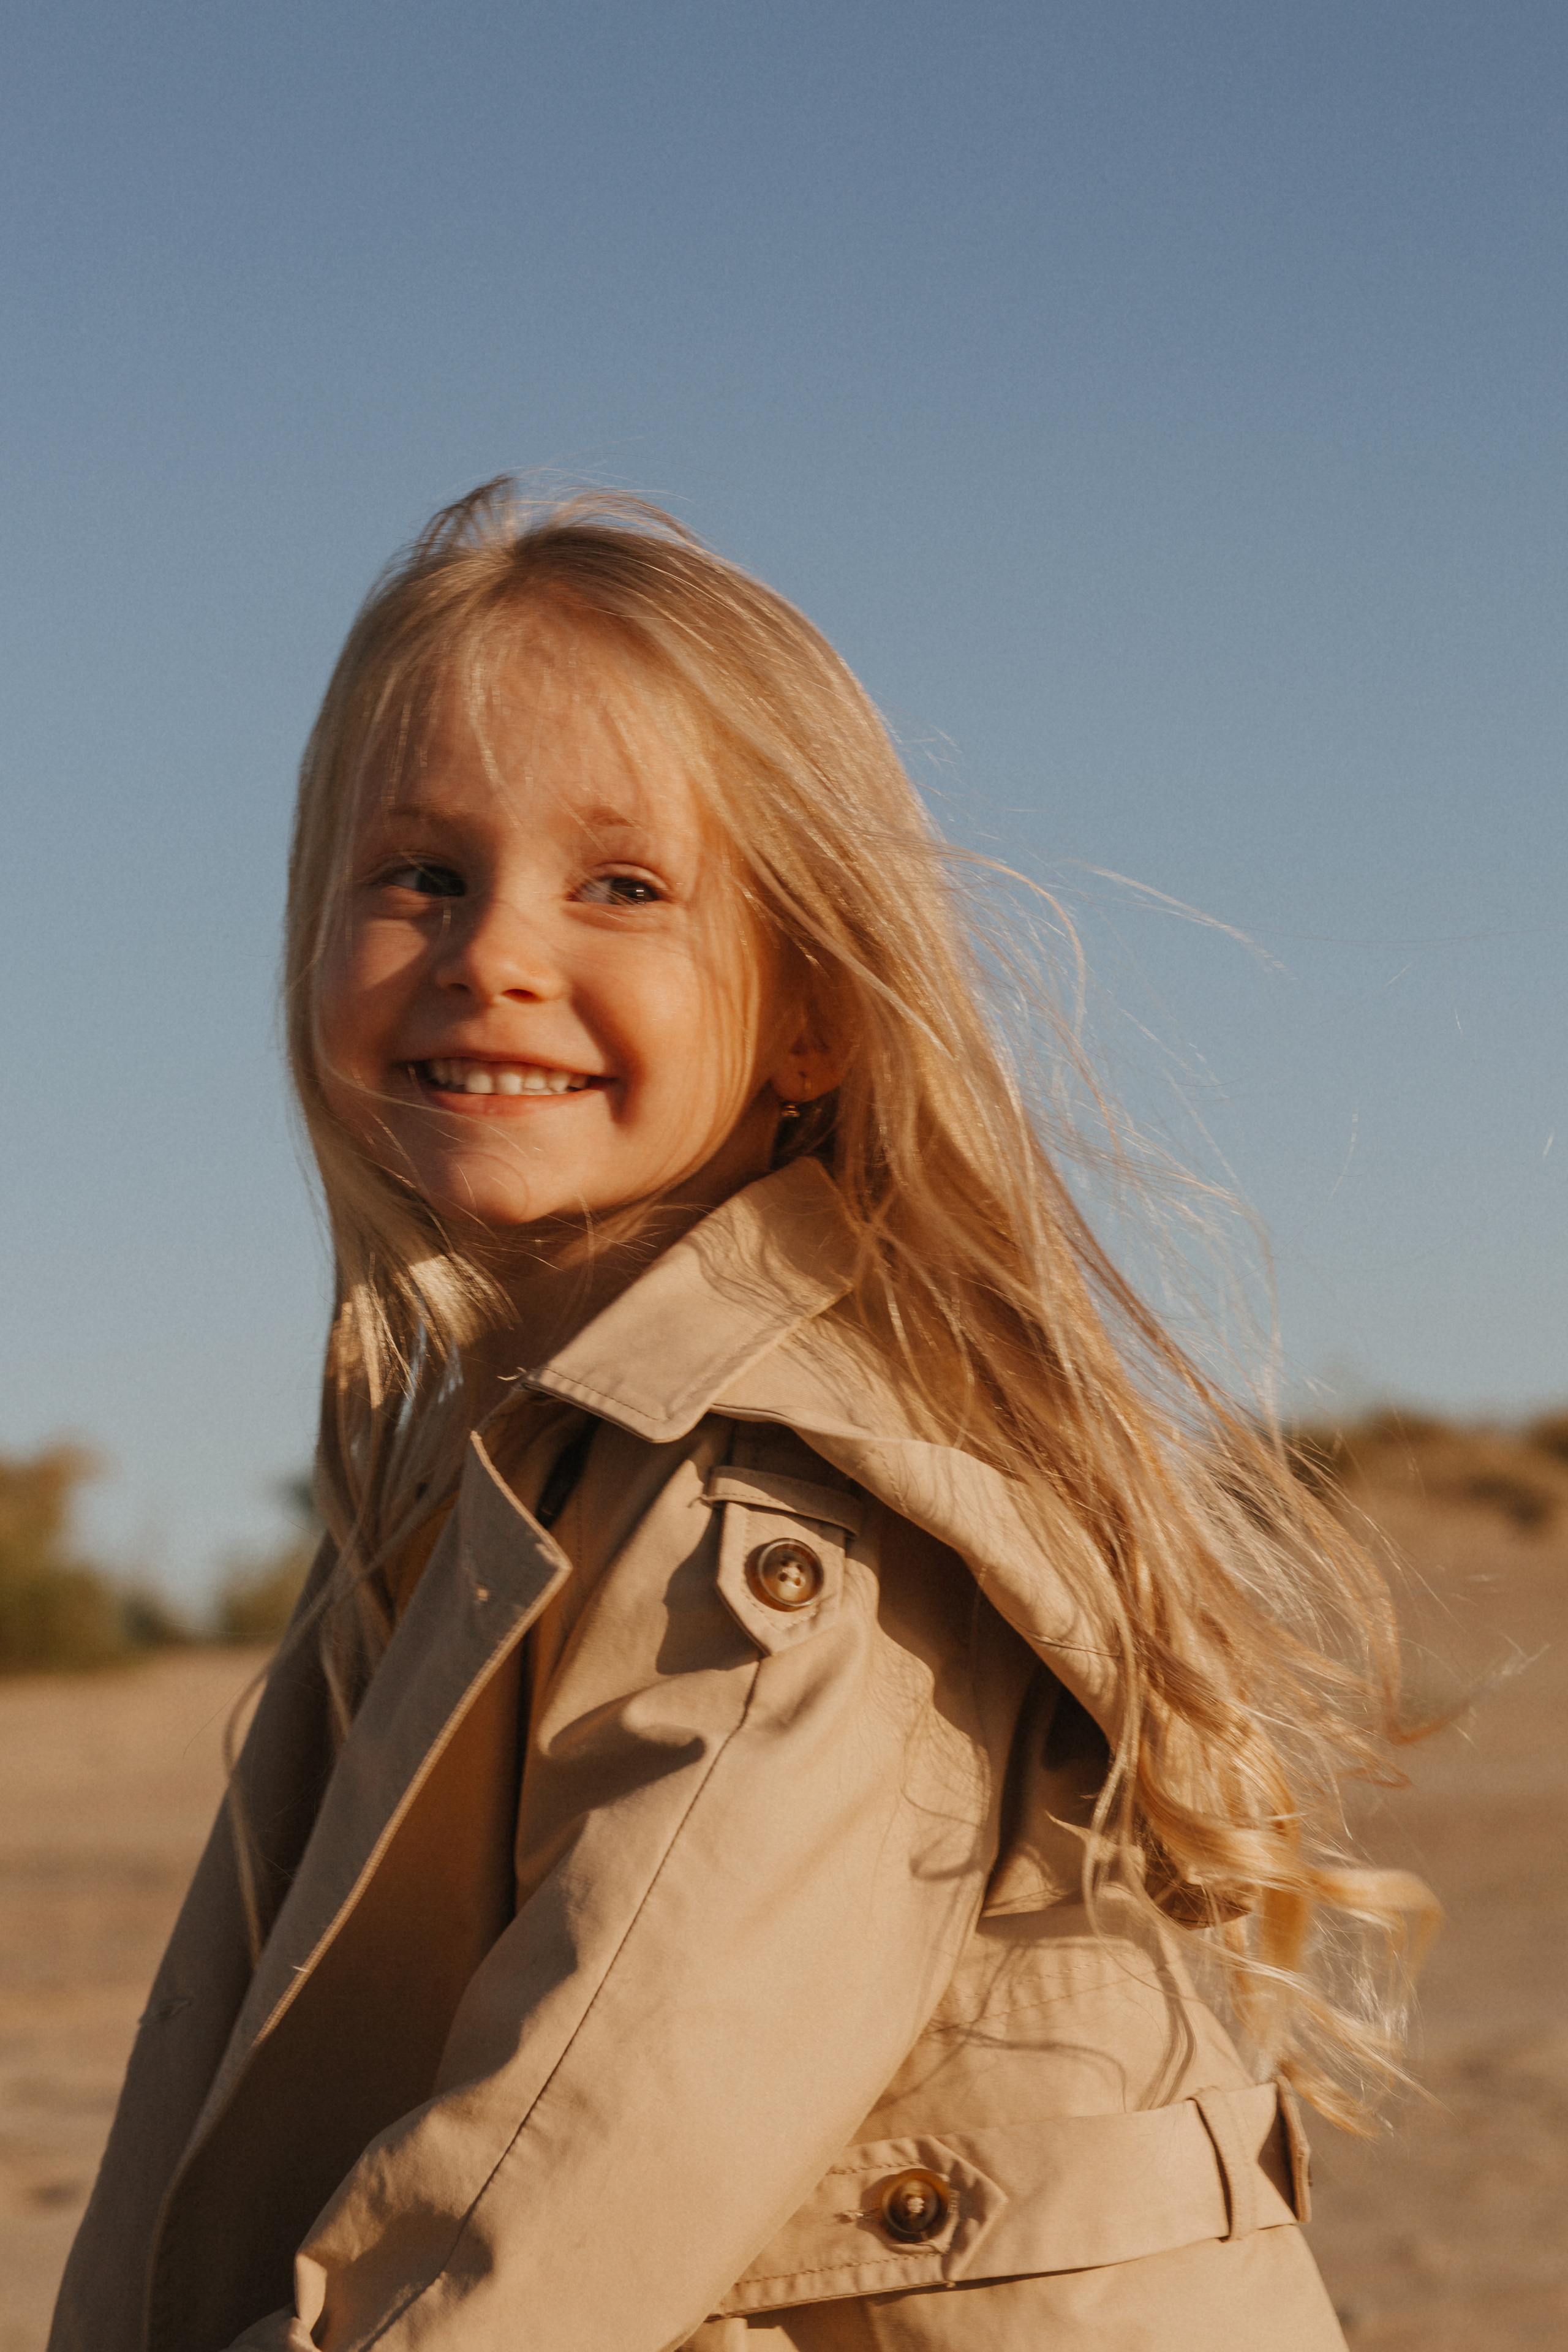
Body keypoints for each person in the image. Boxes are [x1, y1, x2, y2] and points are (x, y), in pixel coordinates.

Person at [51, 483, 1428, 2352]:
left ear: (811, 1018)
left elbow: (567, 2184)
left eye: (623, 887)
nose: (492, 954)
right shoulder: (492, 1462)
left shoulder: (776, 1516)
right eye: (421, 876)